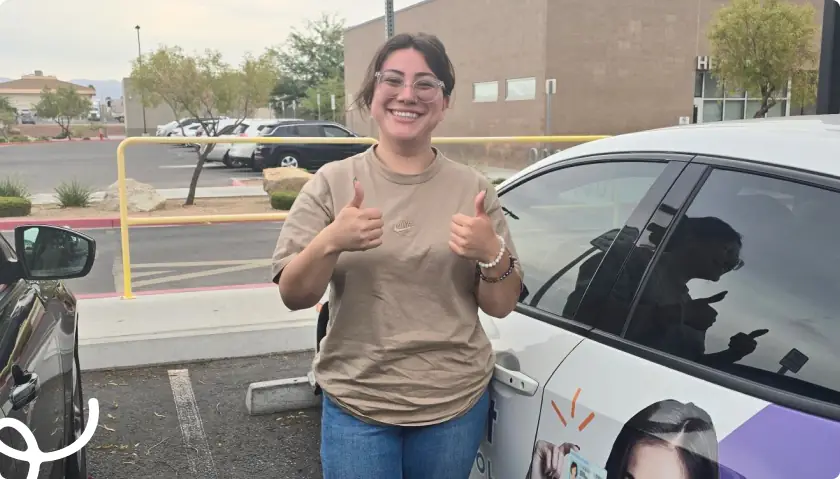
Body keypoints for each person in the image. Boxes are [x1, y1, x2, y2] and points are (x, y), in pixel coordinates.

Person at [271, 32, 523, 479]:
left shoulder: (474, 189)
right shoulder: (332, 181)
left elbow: (501, 305)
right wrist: (330, 240)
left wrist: (491, 252)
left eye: (426, 84)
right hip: (358, 401)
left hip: (454, 402)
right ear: (372, 97)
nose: (408, 95)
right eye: (393, 80)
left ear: (443, 104)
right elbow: (293, 294)